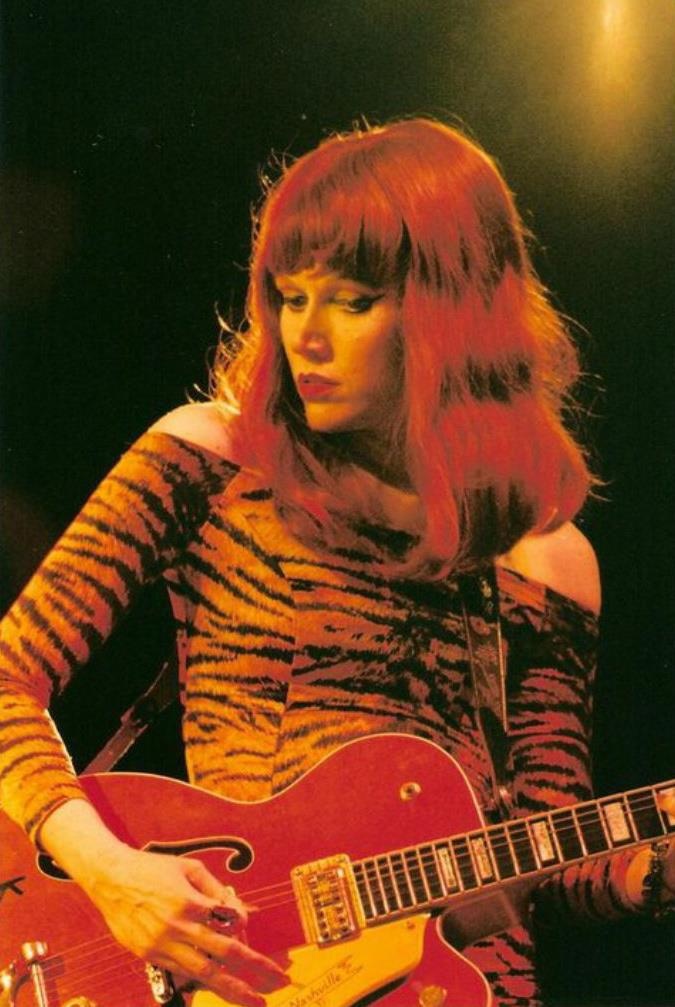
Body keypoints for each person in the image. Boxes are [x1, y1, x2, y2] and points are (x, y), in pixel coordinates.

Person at [0, 117, 673, 1007]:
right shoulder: (216, 463)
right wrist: (110, 870)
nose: (304, 336)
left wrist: (648, 869)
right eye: (289, 296)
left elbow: (541, 858)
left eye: (352, 302)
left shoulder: (546, 560)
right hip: (250, 975)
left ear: (453, 312)